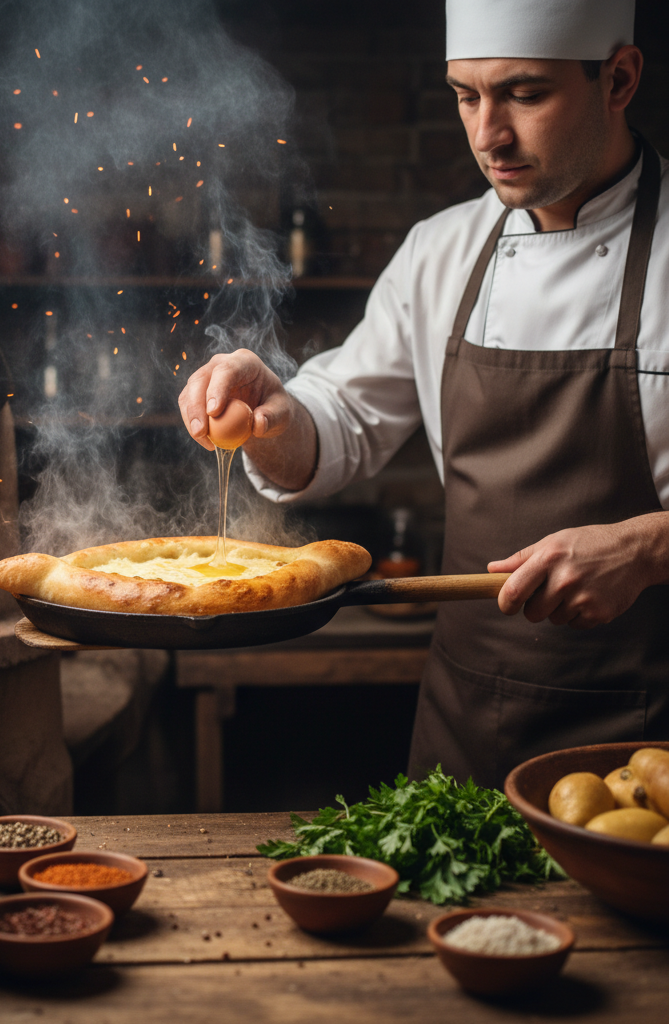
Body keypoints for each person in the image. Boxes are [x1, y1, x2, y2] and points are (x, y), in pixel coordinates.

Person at [178, 0, 669, 788]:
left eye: (525, 94)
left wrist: (649, 547)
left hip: (653, 743)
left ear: (618, 79)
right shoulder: (441, 252)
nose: (488, 135)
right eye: (467, 95)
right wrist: (273, 414)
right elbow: (337, 424)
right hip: (471, 720)